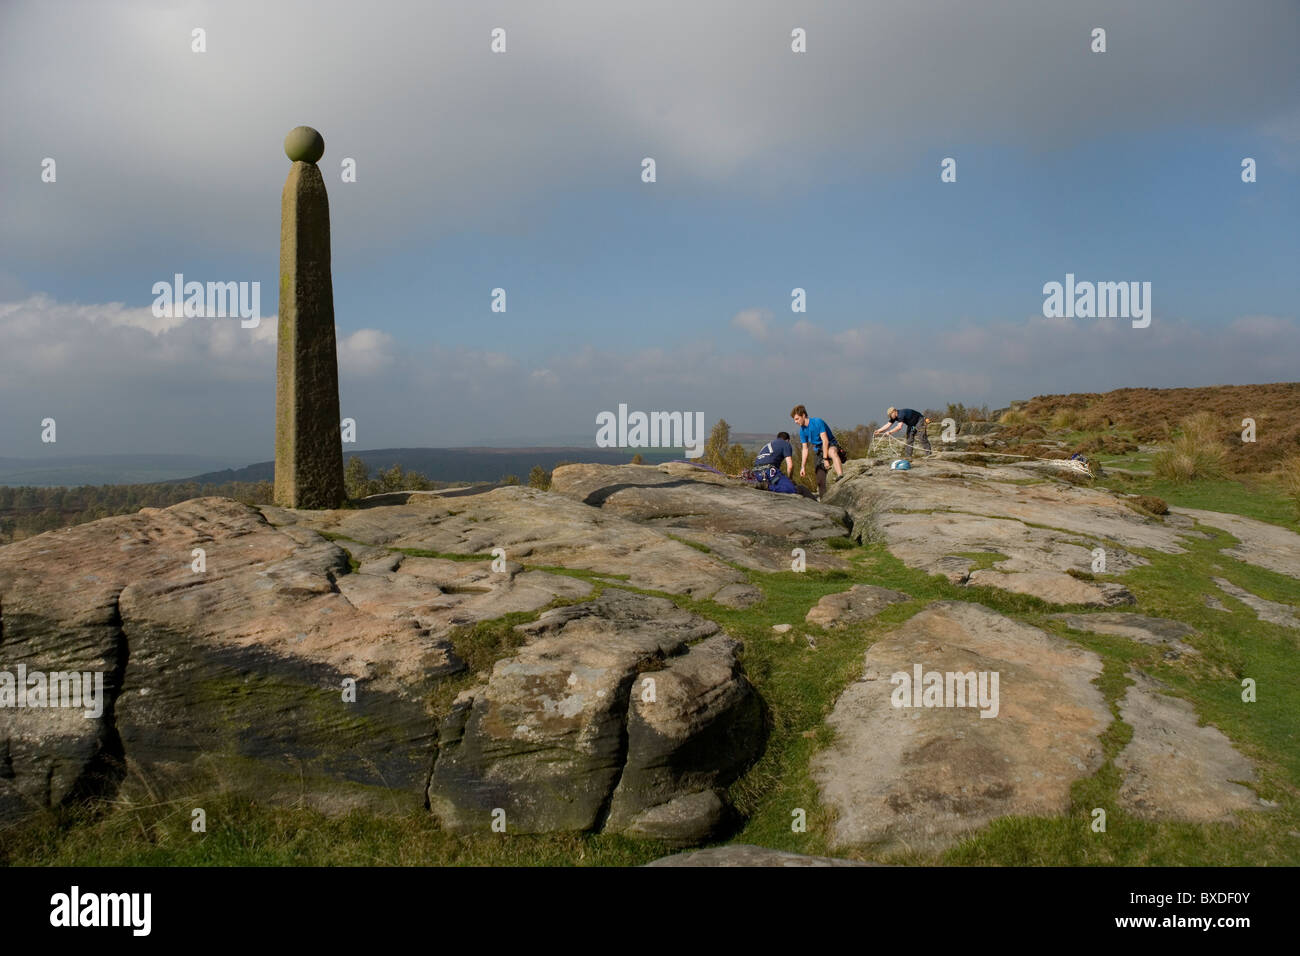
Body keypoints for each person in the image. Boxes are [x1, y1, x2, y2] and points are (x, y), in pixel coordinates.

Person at [790, 405, 844, 498]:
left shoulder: (817, 422)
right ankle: (824, 500)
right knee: (820, 480)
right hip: (818, 449)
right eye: (794, 420)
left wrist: (825, 458)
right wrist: (802, 467)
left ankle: (841, 477)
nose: (795, 422)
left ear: (803, 415)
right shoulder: (802, 430)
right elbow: (805, 449)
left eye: (797, 419)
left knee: (832, 452)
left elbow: (825, 441)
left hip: (830, 444)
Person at [752, 431, 818, 499]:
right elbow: (790, 466)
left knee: (777, 484)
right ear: (788, 440)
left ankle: (763, 486)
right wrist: (790, 479)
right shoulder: (785, 444)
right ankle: (767, 487)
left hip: (756, 473)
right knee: (793, 489)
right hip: (769, 470)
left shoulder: (768, 445)